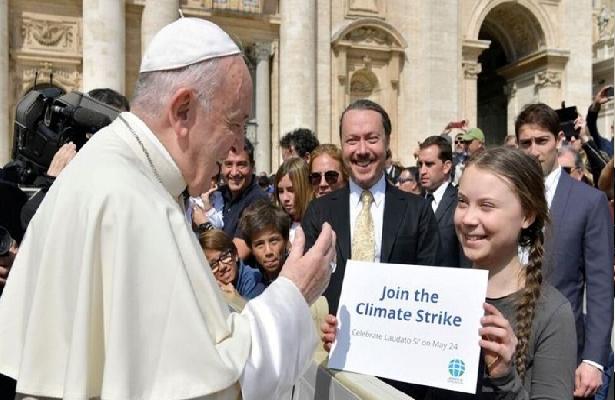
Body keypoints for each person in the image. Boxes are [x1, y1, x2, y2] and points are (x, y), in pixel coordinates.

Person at [0, 18, 336, 400]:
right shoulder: (132, 200)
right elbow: (209, 387)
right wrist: (293, 293)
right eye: (235, 123)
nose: (237, 146)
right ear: (182, 111)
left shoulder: (111, 165)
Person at [322, 147, 577, 399]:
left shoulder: (551, 313)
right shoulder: (438, 294)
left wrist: (504, 377)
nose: (467, 219)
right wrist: (354, 342)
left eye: (487, 206)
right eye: (463, 202)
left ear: (527, 215)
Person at [302, 99, 440, 316]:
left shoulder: (418, 212)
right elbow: (306, 287)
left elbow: (431, 288)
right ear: (342, 145)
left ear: (387, 143)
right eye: (352, 140)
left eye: (372, 139)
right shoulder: (318, 213)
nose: (362, 150)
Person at [516, 103, 614, 398]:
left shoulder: (589, 202)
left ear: (558, 140)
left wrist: (593, 358)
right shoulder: (504, 195)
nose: (534, 151)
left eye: (541, 141)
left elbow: (599, 287)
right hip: (507, 347)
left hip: (564, 347)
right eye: (526, 143)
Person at [417, 136, 470, 268]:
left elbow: (466, 258)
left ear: (446, 167)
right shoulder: (413, 204)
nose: (422, 171)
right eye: (420, 164)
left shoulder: (460, 204)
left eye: (429, 164)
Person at [217, 138, 270, 258]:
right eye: (229, 164)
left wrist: (204, 225)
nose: (234, 172)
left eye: (241, 165)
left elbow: (237, 255)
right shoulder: (218, 195)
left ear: (252, 166)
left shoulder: (259, 202)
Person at [198, 229, 265, 300]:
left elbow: (251, 310)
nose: (222, 267)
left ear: (235, 254)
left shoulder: (255, 281)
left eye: (224, 257)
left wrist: (235, 300)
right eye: (213, 265)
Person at [239, 200, 291, 287]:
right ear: (251, 248)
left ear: (285, 240)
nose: (268, 251)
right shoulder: (251, 282)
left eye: (273, 241)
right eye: (259, 245)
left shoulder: (301, 275)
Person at [274, 157, 313, 243]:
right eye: (280, 191)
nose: (285, 198)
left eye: (291, 190)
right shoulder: (277, 225)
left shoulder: (317, 225)